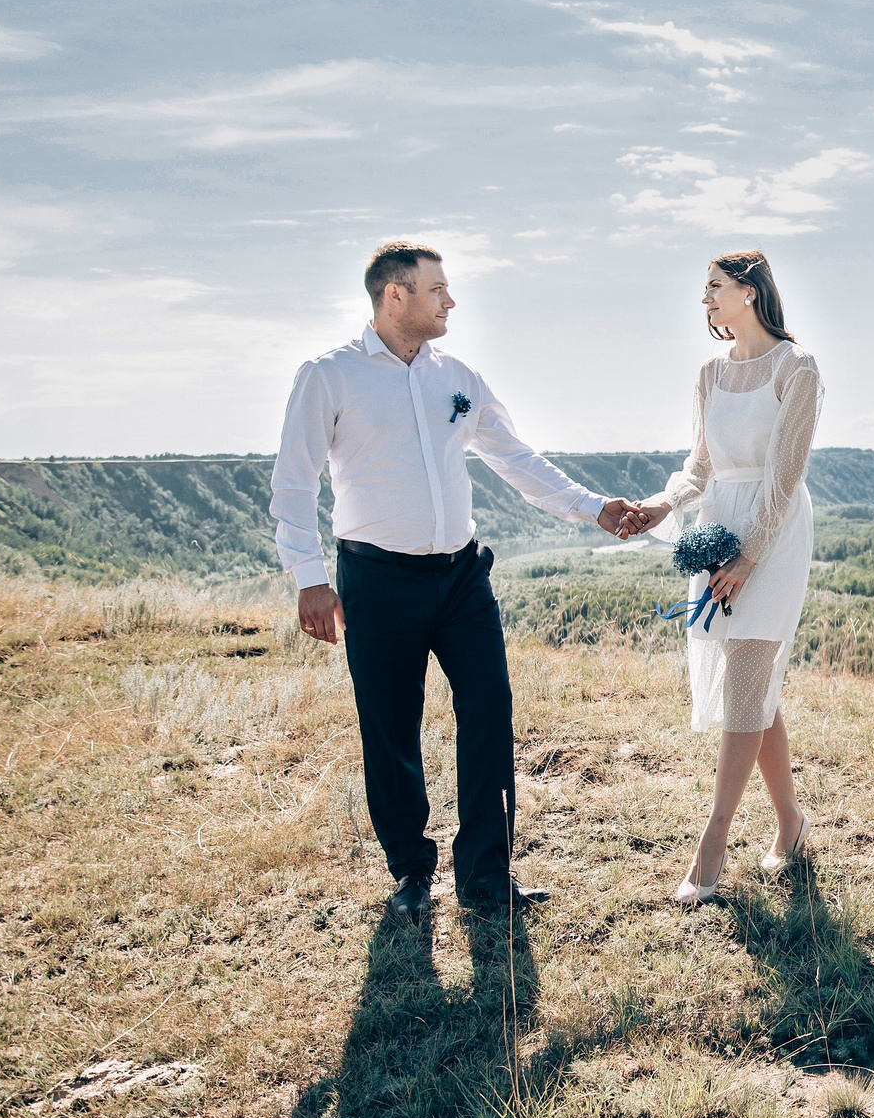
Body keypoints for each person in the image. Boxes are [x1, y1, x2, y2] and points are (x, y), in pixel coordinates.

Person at [270, 240, 654, 921]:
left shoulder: (459, 376)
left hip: (461, 579)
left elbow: (514, 455)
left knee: (489, 713)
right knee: (390, 729)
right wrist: (309, 577)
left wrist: (593, 507)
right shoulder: (328, 375)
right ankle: (412, 875)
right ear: (396, 295)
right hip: (377, 579)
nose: (451, 300)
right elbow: (293, 484)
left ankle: (485, 875)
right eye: (437, 289)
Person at [631, 251, 823, 904]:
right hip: (718, 525)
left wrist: (750, 556)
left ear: (748, 290)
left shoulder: (795, 369)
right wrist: (661, 505)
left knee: (748, 678)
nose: (705, 299)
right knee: (752, 677)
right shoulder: (711, 375)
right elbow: (699, 468)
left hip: (773, 534)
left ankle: (712, 844)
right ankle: (791, 823)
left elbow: (784, 474)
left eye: (714, 287)